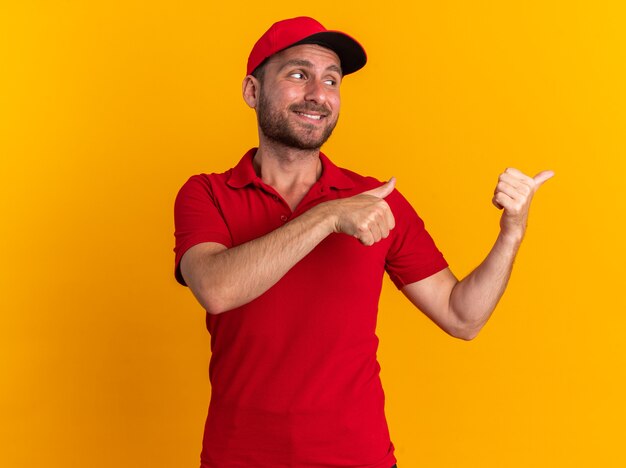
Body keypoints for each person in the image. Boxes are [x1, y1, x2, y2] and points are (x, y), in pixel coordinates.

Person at [173, 16, 553, 468]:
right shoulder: (207, 193)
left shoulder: (378, 201)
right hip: (239, 457)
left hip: (358, 457)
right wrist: (329, 216)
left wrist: (512, 232)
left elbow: (461, 316)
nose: (318, 94)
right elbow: (216, 289)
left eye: (331, 80)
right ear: (252, 91)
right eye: (298, 75)